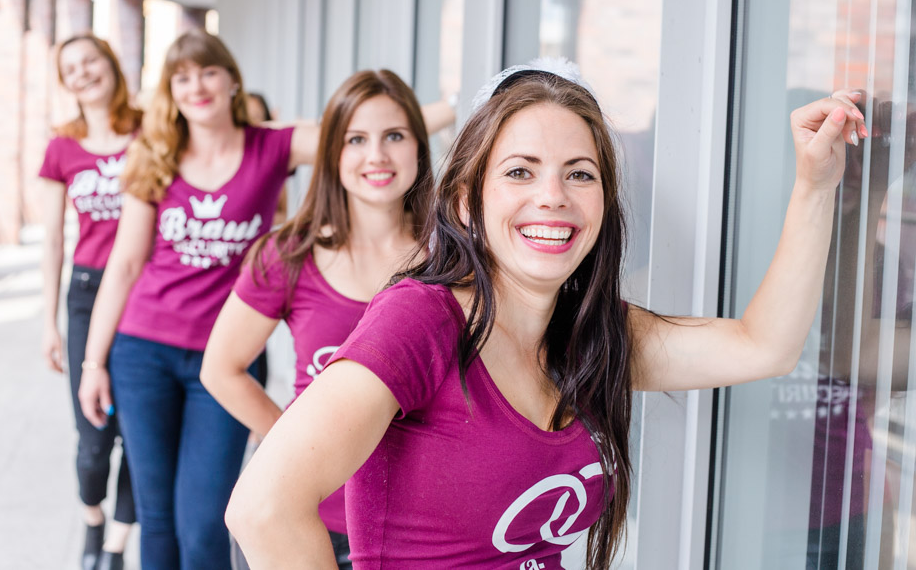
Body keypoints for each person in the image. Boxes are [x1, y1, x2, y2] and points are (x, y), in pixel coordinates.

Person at [225, 59, 868, 569]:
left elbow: (764, 345)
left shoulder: (592, 331)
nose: (553, 197)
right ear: (467, 201)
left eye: (579, 175)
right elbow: (263, 508)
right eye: (520, 172)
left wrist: (815, 185)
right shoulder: (421, 319)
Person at [76, 28, 318, 570]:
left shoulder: (271, 146)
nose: (197, 86)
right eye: (182, 78)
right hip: (143, 353)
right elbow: (125, 264)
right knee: (157, 516)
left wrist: (466, 101)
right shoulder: (156, 152)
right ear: (171, 91)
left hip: (229, 359)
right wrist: (94, 363)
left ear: (232, 80)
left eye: (208, 71)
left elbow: (360, 132)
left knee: (206, 522)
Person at [200, 69, 434, 568]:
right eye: (356, 139)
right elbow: (220, 369)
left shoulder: (453, 261)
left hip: (419, 525)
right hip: (305, 520)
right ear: (332, 153)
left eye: (394, 136)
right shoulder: (289, 253)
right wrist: (290, 440)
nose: (377, 155)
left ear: (419, 146)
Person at [38, 33, 140, 570]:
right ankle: (92, 519)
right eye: (70, 68)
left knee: (140, 430)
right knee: (94, 434)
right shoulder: (61, 147)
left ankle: (116, 546)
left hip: (145, 293)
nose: (82, 73)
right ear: (66, 82)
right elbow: (53, 241)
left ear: (110, 65)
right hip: (86, 291)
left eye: (90, 61)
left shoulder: (149, 132)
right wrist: (48, 323)